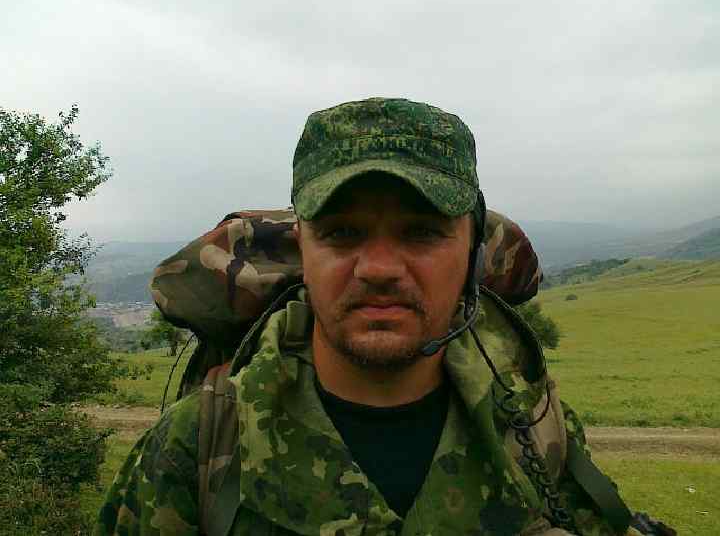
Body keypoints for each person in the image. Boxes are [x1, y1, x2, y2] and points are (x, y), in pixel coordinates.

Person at [95, 98, 661, 535]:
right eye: (342, 233)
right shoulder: (197, 445)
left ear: (472, 251)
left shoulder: (533, 425)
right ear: (302, 248)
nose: (380, 269)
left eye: (422, 232)